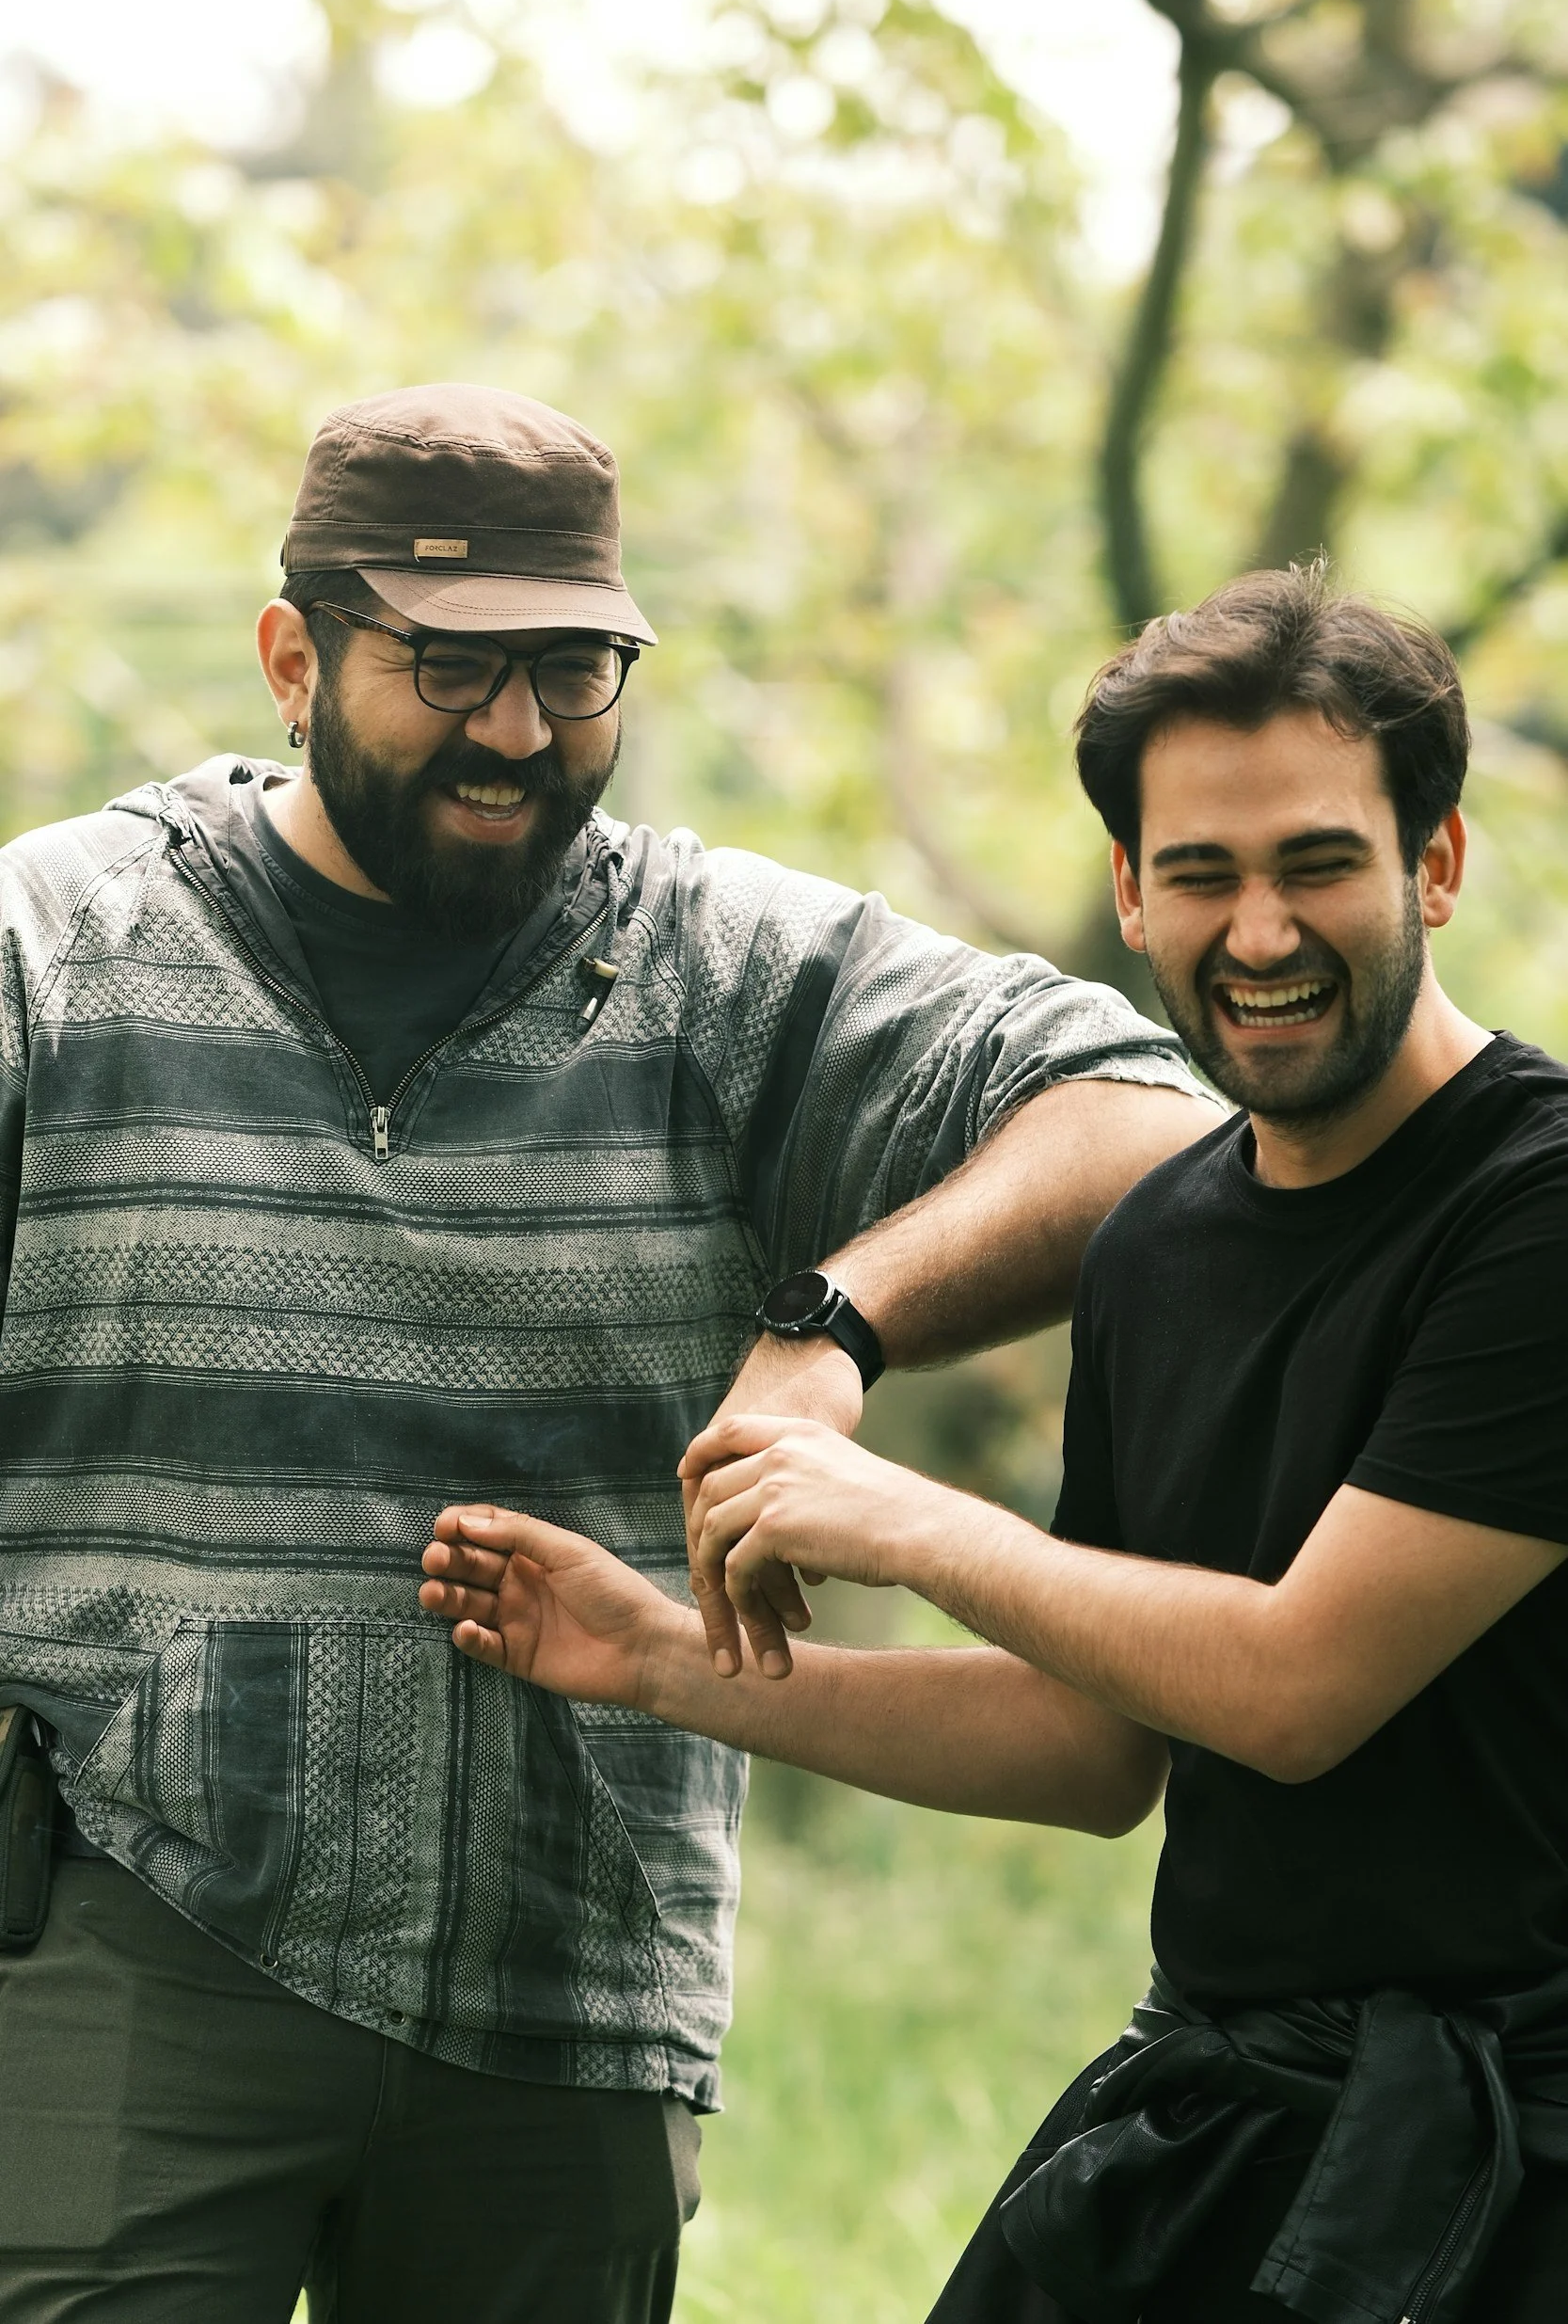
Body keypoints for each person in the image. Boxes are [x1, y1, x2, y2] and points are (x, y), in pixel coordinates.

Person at [0, 380, 1212, 2324]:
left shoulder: (721, 964)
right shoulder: (58, 945)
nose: (514, 731)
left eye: (572, 671)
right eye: (452, 667)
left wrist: (831, 1325)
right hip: (120, 1936)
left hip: (561, 1965)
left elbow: (1146, 1120)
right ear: (290, 656)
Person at [420, 565, 1568, 2324]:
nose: (1256, 933)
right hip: (1228, 2123)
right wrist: (654, 1660)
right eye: (1200, 875)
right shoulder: (1162, 1240)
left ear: (1434, 862)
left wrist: (900, 1519)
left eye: (1315, 865)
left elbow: (1291, 1687)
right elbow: (1098, 1745)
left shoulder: (1534, 1210)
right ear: (1127, 893)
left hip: (1509, 2160)